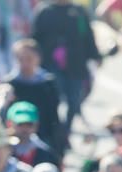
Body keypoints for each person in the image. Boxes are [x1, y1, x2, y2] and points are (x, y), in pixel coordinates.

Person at [30, 0, 100, 128]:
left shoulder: (79, 11)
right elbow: (35, 38)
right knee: (54, 99)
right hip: (51, 65)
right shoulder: (45, 11)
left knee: (74, 101)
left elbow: (87, 34)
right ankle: (56, 130)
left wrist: (95, 56)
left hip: (76, 64)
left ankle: (66, 130)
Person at [1, 39, 64, 158]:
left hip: (44, 136)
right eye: (20, 59)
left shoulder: (47, 84)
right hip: (16, 140)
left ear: (38, 58)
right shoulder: (9, 84)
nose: (25, 63)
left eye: (29, 58)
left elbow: (54, 116)